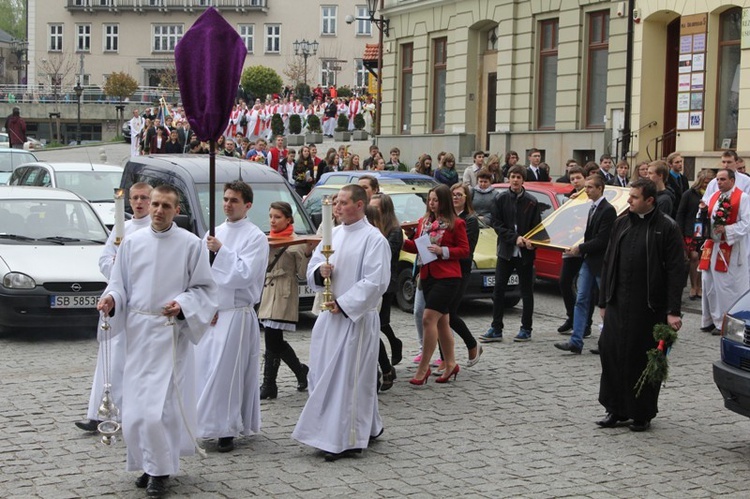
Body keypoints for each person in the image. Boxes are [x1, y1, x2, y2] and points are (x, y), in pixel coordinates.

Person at [96, 185, 218, 496]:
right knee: (135, 410)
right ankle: (148, 463)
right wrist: (111, 300)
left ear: (177, 210)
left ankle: (160, 472)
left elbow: (204, 289)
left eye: (166, 205)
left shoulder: (191, 245)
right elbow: (119, 284)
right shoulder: (132, 243)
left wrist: (182, 306)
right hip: (137, 332)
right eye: (155, 204)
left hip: (168, 333)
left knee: (157, 411)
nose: (159, 210)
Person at [292, 184, 390, 461]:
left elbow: (376, 281)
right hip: (328, 317)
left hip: (355, 319)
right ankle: (359, 426)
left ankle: (347, 439)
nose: (337, 207)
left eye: (344, 202)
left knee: (350, 380)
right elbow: (312, 268)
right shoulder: (333, 235)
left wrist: (345, 303)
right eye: (336, 202)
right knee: (325, 375)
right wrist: (319, 272)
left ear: (360, 205)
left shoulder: (374, 239)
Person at [597, 179, 684, 432]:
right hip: (617, 302)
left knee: (640, 359)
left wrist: (673, 311)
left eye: (634, 197)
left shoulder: (667, 227)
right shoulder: (621, 224)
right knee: (611, 354)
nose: (629, 201)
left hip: (648, 307)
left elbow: (676, 272)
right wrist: (603, 300)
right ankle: (614, 408)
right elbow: (608, 262)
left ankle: (641, 412)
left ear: (649, 200)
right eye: (630, 196)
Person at [194, 181, 268, 454]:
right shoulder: (214, 233)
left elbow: (245, 275)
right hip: (212, 314)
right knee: (205, 370)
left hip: (236, 314)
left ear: (247, 205)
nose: (227, 204)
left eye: (234, 200)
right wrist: (206, 306)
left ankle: (226, 429)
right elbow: (200, 275)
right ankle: (203, 423)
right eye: (225, 199)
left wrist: (221, 251)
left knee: (228, 374)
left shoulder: (255, 237)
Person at [75, 183, 153, 433]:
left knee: (133, 362)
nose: (139, 203)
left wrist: (127, 271)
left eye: (144, 198)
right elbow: (104, 259)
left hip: (141, 305)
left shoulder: (155, 231)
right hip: (118, 301)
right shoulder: (123, 228)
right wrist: (118, 267)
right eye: (135, 198)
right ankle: (100, 413)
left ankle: (130, 412)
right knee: (109, 360)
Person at [403, 184, 470, 385]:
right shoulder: (424, 222)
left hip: (448, 277)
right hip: (427, 275)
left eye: (436, 200)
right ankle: (451, 363)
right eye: (429, 200)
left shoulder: (455, 223)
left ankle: (423, 368)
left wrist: (443, 251)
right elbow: (416, 247)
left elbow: (464, 250)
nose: (432, 204)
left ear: (444, 202)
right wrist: (401, 239)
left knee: (428, 318)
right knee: (442, 323)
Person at [554, 174, 616, 354]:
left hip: (599, 262)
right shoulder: (592, 208)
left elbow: (602, 240)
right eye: (586, 187)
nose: (586, 190)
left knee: (604, 302)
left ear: (599, 189)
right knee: (581, 299)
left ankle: (606, 341)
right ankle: (576, 341)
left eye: (590, 187)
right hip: (588, 261)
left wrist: (579, 248)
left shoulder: (607, 210)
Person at [258, 202, 313, 399]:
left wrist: (307, 253)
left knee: (273, 338)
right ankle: (300, 372)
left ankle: (269, 385)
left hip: (283, 292)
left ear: (288, 219)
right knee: (274, 339)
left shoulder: (296, 242)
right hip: (267, 290)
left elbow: (303, 273)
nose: (273, 220)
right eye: (271, 216)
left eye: (278, 217)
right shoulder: (265, 239)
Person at [481, 165, 542, 343]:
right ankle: (496, 327)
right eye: (513, 176)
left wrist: (533, 243)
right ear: (509, 178)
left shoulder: (531, 201)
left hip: (525, 254)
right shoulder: (501, 199)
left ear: (523, 180)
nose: (515, 180)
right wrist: (514, 238)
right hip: (506, 252)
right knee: (499, 289)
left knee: (526, 291)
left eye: (518, 177)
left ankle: (526, 328)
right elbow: (496, 224)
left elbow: (537, 227)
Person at [699, 169, 750, 334]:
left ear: (732, 180)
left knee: (725, 285)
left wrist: (726, 230)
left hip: (730, 248)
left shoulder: (743, 198)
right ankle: (710, 319)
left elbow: (746, 223)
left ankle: (724, 323)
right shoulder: (714, 196)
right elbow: (707, 217)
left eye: (722, 179)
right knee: (709, 283)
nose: (718, 182)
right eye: (717, 179)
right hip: (712, 245)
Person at [369, 193, 404, 390]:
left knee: (378, 326)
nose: (373, 211)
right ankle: (385, 368)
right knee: (375, 328)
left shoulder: (394, 231)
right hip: (374, 284)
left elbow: (386, 255)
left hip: (387, 283)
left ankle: (386, 367)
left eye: (377, 208)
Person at [449, 183, 483, 367]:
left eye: (459, 195)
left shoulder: (469, 220)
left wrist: (444, 251)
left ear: (466, 198)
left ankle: (471, 344)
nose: (455, 197)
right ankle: (445, 357)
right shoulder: (446, 216)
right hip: (444, 271)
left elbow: (466, 250)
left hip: (460, 270)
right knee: (440, 315)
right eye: (453, 195)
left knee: (448, 313)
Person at [556, 166, 588, 335]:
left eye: (578, 178)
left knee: (585, 288)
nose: (576, 181)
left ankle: (586, 324)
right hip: (570, 247)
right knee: (564, 282)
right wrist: (570, 203)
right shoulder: (568, 198)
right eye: (573, 179)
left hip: (586, 248)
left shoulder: (591, 196)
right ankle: (572, 317)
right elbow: (562, 219)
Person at [676, 169, 715, 301]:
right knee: (694, 257)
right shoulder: (689, 194)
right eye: (705, 182)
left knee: (703, 258)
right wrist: (680, 231)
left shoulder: (713, 195)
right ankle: (693, 286)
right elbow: (681, 213)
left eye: (709, 183)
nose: (706, 185)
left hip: (705, 230)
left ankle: (700, 286)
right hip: (690, 230)